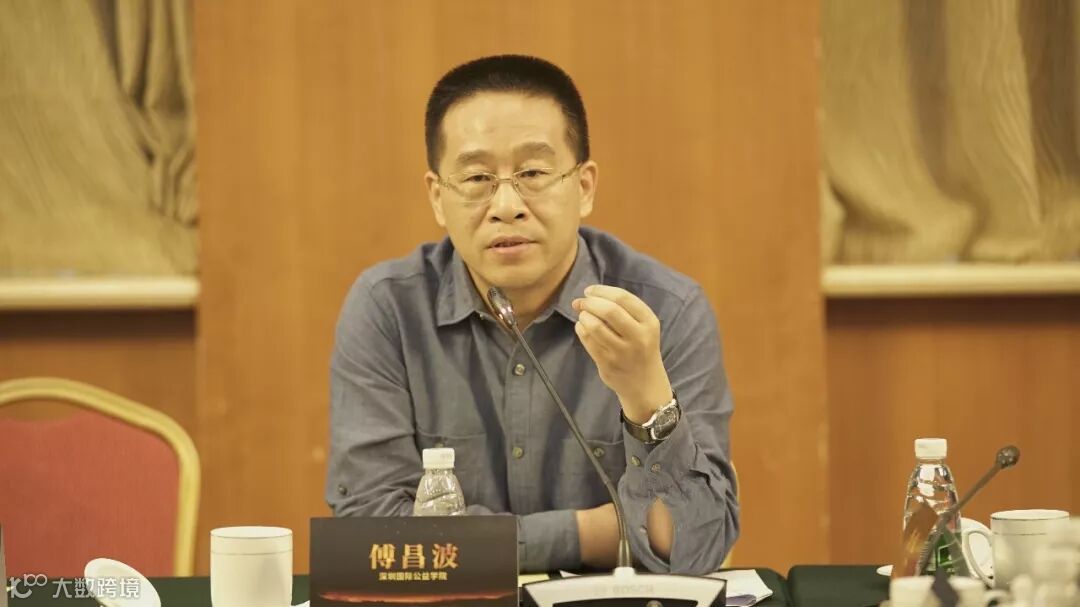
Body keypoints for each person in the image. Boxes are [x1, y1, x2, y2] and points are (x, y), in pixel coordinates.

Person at [325, 55, 738, 574]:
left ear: (584, 187)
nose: (506, 205)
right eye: (477, 177)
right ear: (437, 198)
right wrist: (592, 532)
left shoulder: (664, 310)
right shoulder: (388, 309)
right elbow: (368, 534)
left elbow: (695, 544)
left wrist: (645, 397)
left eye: (533, 173)